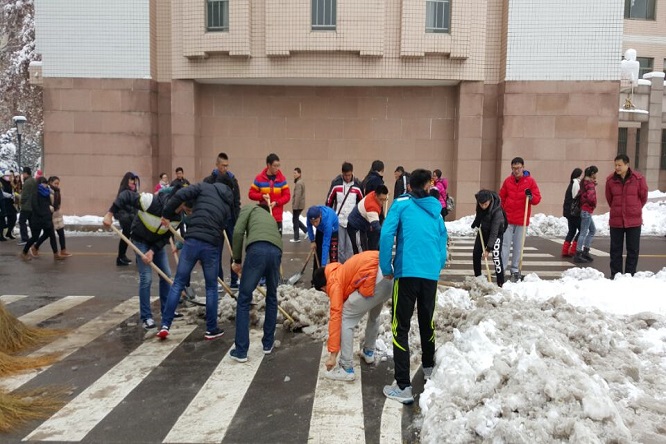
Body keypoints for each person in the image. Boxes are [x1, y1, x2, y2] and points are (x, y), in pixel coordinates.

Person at [379, 169, 448, 404]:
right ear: (429, 186)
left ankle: (403, 386)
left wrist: (386, 266)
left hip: (407, 272)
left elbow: (386, 235)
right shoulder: (436, 210)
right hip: (429, 274)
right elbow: (442, 240)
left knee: (400, 326)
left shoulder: (401, 204)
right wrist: (436, 265)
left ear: (409, 186)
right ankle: (429, 368)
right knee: (427, 321)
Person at [157, 175, 235, 340]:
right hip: (211, 245)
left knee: (178, 283)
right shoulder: (228, 203)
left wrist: (166, 213)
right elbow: (223, 226)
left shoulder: (203, 187)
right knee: (211, 287)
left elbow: (180, 194)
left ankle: (165, 325)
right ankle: (211, 329)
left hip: (192, 240)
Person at [103, 185, 183, 329]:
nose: (184, 209)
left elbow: (166, 237)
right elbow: (126, 195)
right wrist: (110, 214)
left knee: (166, 275)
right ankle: (146, 317)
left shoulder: (177, 218)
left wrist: (152, 251)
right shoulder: (151, 201)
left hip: (156, 243)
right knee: (146, 278)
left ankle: (167, 310)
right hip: (140, 240)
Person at [311, 250, 393, 381]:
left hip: (373, 279)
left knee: (346, 317)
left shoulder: (333, 282)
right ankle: (368, 351)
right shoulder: (339, 270)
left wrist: (333, 355)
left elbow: (336, 317)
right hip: (388, 275)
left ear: (322, 287)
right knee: (374, 313)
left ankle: (346, 367)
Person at [229, 202, 283, 362]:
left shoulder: (248, 208)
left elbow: (238, 231)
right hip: (276, 251)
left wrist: (237, 260)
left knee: (244, 299)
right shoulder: (270, 217)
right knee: (272, 297)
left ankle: (241, 350)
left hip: (257, 250)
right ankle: (268, 343)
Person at [498, 157, 541, 282]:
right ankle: (501, 269)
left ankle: (515, 269)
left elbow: (537, 199)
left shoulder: (530, 182)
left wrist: (531, 196)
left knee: (518, 246)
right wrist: (502, 211)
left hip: (522, 219)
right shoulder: (508, 181)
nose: (516, 171)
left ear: (523, 167)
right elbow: (502, 197)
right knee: (505, 245)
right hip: (508, 219)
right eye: (514, 168)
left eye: (518, 168)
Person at [605, 154, 648, 278]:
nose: (617, 168)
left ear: (627, 165)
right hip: (616, 220)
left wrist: (634, 208)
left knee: (633, 250)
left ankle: (630, 276)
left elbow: (643, 197)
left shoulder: (638, 179)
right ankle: (616, 276)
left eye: (619, 165)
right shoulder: (610, 180)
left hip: (634, 221)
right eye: (615, 165)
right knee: (615, 250)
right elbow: (610, 199)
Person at [204, 152, 242, 289]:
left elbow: (237, 201)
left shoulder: (232, 180)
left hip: (230, 220)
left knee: (234, 250)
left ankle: (234, 280)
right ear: (217, 165)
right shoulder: (209, 181)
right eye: (222, 165)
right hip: (216, 221)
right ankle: (219, 280)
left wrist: (237, 218)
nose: (225, 168)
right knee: (216, 251)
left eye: (227, 165)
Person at [326, 162, 363, 262]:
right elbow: (329, 201)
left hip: (352, 222)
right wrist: (329, 217)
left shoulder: (357, 185)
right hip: (339, 220)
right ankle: (341, 268)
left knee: (351, 248)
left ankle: (349, 267)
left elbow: (362, 203)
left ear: (352, 173)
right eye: (345, 175)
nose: (347, 177)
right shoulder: (336, 184)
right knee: (340, 248)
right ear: (342, 173)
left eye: (349, 175)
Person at [21, 177, 64, 261]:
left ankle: (56, 254)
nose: (45, 185)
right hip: (38, 219)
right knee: (35, 237)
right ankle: (24, 252)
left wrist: (50, 210)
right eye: (43, 183)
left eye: (46, 183)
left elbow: (49, 204)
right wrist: (43, 213)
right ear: (39, 184)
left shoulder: (47, 192)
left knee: (52, 235)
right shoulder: (35, 193)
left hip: (47, 218)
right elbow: (35, 206)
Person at [470, 190, 507, 287]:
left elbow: (494, 232)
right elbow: (479, 215)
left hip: (497, 233)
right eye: (481, 204)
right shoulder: (480, 203)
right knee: (476, 253)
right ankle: (478, 277)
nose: (483, 206)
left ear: (490, 201)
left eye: (485, 204)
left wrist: (488, 248)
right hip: (484, 231)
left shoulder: (497, 211)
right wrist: (476, 223)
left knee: (496, 256)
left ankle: (500, 282)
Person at [249, 153, 290, 234]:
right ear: (268, 165)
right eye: (275, 166)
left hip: (277, 218)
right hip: (264, 217)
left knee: (277, 240)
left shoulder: (282, 179)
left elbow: (287, 196)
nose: (277, 168)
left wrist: (277, 202)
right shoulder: (259, 178)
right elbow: (251, 194)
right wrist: (262, 196)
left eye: (278, 166)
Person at [34, 176, 72, 257]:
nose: (57, 185)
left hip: (58, 214)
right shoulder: (47, 191)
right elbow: (45, 203)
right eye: (55, 183)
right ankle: (36, 247)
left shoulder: (57, 191)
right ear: (50, 182)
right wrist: (50, 209)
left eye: (58, 183)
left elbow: (58, 203)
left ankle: (63, 250)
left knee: (61, 233)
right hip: (50, 215)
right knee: (48, 235)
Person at [346, 186, 388, 254]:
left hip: (362, 227)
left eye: (385, 199)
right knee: (360, 252)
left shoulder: (373, 193)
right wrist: (387, 233)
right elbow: (376, 226)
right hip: (355, 227)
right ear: (376, 196)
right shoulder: (372, 207)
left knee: (365, 250)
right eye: (381, 199)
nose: (382, 202)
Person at [306, 205, 339, 283]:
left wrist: (323, 265)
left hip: (333, 230)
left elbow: (325, 244)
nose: (314, 224)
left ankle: (333, 279)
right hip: (320, 229)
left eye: (316, 221)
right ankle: (315, 280)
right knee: (317, 253)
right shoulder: (309, 215)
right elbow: (309, 226)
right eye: (312, 222)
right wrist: (312, 241)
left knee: (333, 256)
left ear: (320, 216)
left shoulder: (327, 222)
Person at [573, 166, 598, 264]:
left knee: (592, 230)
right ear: (592, 174)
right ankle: (578, 253)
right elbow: (591, 198)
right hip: (587, 210)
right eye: (595, 173)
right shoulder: (590, 184)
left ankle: (585, 251)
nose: (596, 175)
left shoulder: (584, 182)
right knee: (583, 232)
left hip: (584, 210)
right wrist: (594, 204)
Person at [114, 172, 139, 266]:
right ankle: (123, 257)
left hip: (132, 217)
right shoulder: (124, 191)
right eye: (131, 179)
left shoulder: (134, 190)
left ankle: (122, 256)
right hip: (125, 217)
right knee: (130, 236)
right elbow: (120, 206)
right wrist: (129, 216)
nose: (133, 182)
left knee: (128, 236)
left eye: (134, 180)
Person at [562, 168, 583, 257]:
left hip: (568, 212)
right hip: (574, 212)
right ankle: (573, 250)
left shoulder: (572, 183)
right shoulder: (576, 183)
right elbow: (576, 197)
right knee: (582, 230)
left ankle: (565, 250)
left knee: (572, 231)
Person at [18, 166, 36, 245]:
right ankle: (35, 238)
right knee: (32, 223)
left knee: (22, 221)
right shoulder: (34, 181)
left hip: (26, 206)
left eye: (23, 173)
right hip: (33, 206)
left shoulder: (27, 182)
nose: (22, 175)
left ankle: (25, 239)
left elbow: (24, 196)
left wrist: (21, 202)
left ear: (26, 173)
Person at [291, 167, 308, 243]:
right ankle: (306, 231)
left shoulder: (299, 183)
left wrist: (295, 206)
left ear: (299, 174)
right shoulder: (300, 182)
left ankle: (296, 237)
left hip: (298, 206)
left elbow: (298, 196)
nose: (294, 174)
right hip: (299, 205)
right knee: (295, 219)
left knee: (295, 220)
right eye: (293, 173)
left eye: (295, 173)